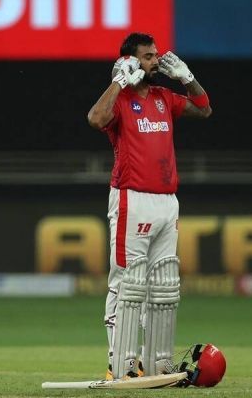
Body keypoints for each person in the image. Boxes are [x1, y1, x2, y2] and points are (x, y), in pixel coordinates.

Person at [87, 32, 212, 380]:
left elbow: (204, 110)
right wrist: (116, 82)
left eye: (155, 55)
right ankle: (120, 364)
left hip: (167, 202)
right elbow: (95, 119)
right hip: (132, 198)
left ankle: (157, 364)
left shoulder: (163, 97)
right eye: (147, 56)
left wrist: (188, 79)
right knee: (127, 284)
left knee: (162, 286)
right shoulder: (120, 100)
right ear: (129, 61)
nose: (155, 61)